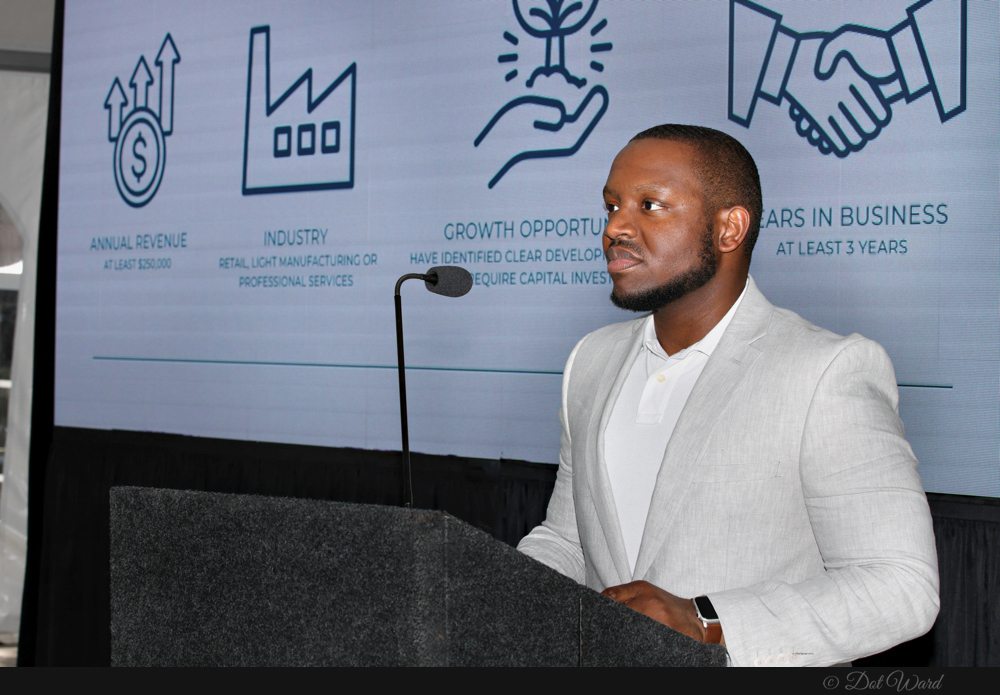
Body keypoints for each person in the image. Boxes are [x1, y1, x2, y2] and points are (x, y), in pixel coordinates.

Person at [517, 124, 939, 667]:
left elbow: (900, 586)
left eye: (649, 205)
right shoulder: (590, 361)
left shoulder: (824, 371)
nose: (615, 227)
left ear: (729, 228)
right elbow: (570, 541)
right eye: (612, 206)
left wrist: (707, 622)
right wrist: (493, 591)